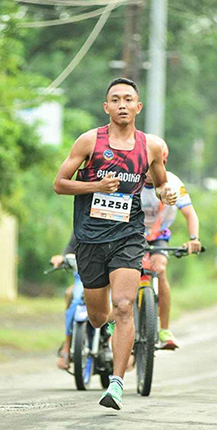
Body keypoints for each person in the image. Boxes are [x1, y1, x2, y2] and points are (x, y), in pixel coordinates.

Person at [52, 77, 174, 411]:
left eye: (128, 99)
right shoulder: (89, 141)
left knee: (123, 305)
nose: (122, 105)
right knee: (97, 316)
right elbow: (60, 184)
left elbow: (160, 183)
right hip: (90, 238)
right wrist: (95, 186)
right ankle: (108, 331)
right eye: (116, 99)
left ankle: (116, 384)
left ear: (138, 107)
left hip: (128, 236)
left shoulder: (150, 146)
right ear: (106, 107)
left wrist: (166, 193)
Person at [140, 149, 200, 351]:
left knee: (160, 269)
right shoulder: (131, 180)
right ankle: (115, 326)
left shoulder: (173, 183)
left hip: (159, 235)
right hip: (132, 235)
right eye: (146, 165)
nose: (149, 171)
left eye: (154, 165)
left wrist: (193, 239)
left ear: (162, 164)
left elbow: (190, 214)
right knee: (124, 276)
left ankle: (164, 330)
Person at [50, 233, 79, 371]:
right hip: (83, 279)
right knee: (70, 295)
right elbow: (70, 247)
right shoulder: (83, 226)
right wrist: (62, 257)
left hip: (109, 279)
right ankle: (67, 345)